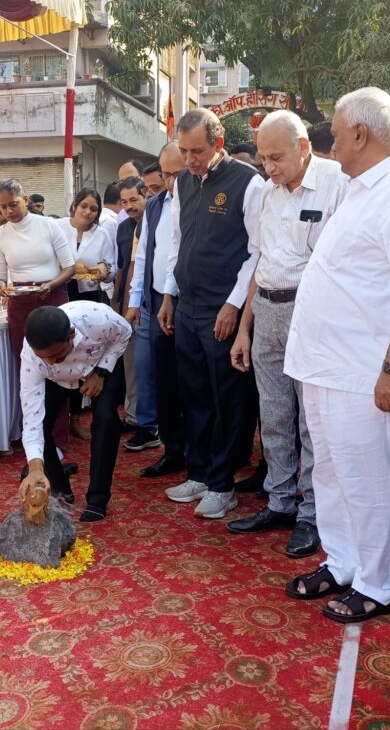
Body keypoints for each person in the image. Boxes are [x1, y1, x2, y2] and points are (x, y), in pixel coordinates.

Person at [283, 87, 390, 623]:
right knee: (330, 473)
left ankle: (378, 584)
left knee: (370, 479)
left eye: (334, 132)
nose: (330, 143)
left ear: (359, 133)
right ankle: (344, 562)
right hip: (325, 365)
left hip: (366, 370)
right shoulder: (359, 189)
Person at [228, 110, 348, 558]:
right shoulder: (266, 192)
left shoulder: (337, 182)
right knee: (274, 414)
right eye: (263, 159)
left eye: (276, 157)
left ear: (304, 148)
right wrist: (245, 327)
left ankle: (312, 514)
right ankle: (279, 501)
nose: (268, 167)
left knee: (311, 421)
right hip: (267, 309)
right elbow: (261, 260)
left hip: (311, 310)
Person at [158, 108, 264, 519]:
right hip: (187, 305)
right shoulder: (184, 182)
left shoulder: (248, 182)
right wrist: (169, 294)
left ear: (218, 144)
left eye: (197, 151)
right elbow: (177, 240)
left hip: (223, 309)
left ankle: (223, 484)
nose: (189, 160)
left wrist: (233, 304)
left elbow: (257, 251)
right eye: (184, 151)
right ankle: (199, 473)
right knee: (194, 394)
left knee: (228, 399)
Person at [18, 303, 132, 522]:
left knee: (106, 420)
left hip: (97, 365)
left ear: (71, 334)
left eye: (57, 355)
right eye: (44, 357)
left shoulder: (98, 320)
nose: (50, 362)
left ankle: (98, 499)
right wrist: (34, 468)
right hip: (57, 379)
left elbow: (125, 332)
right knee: (37, 424)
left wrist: (101, 372)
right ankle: (60, 490)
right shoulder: (32, 356)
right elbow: (32, 419)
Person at [0, 178, 77, 448]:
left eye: (14, 204)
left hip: (52, 297)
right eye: (3, 207)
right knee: (27, 367)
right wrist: (0, 286)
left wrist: (50, 285)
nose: (9, 211)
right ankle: (34, 436)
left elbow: (70, 267)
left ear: (25, 199)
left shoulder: (48, 225)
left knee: (59, 364)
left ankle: (58, 437)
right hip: (19, 303)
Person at [127, 142, 189, 478]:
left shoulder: (198, 200)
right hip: (156, 299)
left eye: (177, 174)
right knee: (163, 379)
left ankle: (200, 452)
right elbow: (143, 257)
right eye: (166, 174)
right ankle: (172, 449)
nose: (170, 181)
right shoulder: (154, 206)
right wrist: (135, 301)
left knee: (191, 381)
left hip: (189, 301)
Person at [59, 188, 117, 441]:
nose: (88, 212)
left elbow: (111, 267)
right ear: (74, 206)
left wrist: (103, 269)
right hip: (61, 292)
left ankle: (76, 418)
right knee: (62, 354)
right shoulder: (58, 227)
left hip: (88, 297)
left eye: (94, 209)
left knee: (83, 354)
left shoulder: (101, 234)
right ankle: (59, 420)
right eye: (84, 206)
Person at [115, 178, 160, 450]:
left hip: (161, 299)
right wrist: (122, 303)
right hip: (136, 303)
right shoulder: (124, 228)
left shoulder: (158, 217)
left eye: (134, 199)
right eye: (124, 201)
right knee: (138, 367)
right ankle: (144, 423)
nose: (129, 206)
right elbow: (126, 267)